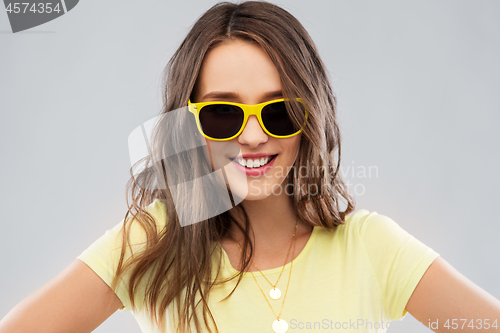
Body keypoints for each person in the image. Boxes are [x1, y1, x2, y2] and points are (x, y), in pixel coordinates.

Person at [1, 1, 499, 333]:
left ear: (312, 116)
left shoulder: (370, 248)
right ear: (187, 124)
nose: (255, 136)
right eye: (223, 114)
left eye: (280, 110)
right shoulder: (153, 244)